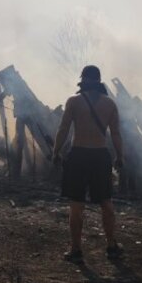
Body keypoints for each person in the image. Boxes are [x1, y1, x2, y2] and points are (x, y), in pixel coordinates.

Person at [51, 65, 125, 263]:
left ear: (82, 80)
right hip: (100, 156)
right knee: (106, 202)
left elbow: (63, 129)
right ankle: (111, 246)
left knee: (76, 205)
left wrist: (55, 151)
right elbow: (116, 134)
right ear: (99, 81)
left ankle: (76, 249)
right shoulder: (109, 104)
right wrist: (120, 157)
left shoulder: (74, 101)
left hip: (78, 155)